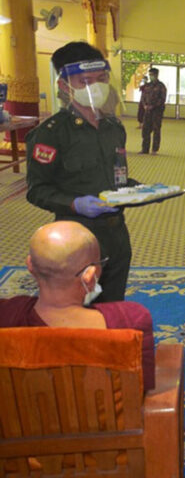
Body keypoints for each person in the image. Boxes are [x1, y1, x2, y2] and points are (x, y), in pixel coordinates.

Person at [26, 41, 134, 302]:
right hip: (75, 238)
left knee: (113, 305)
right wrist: (75, 203)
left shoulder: (113, 127)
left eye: (102, 79)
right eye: (86, 81)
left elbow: (117, 177)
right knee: (76, 309)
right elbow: (37, 190)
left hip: (117, 233)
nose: (96, 87)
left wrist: (138, 190)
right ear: (65, 86)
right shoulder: (51, 133)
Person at [0, 221, 155, 391]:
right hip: (102, 409)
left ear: (30, 265)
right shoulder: (130, 319)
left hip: (27, 407)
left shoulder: (7, 313)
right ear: (89, 275)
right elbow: (143, 387)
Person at [139, 68, 167, 154]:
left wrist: (153, 106)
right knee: (145, 130)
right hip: (147, 111)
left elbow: (162, 99)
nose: (151, 76)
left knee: (156, 130)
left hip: (157, 111)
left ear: (156, 75)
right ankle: (145, 149)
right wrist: (145, 105)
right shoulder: (147, 86)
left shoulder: (161, 86)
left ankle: (154, 149)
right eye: (150, 75)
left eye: (152, 75)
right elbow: (143, 97)